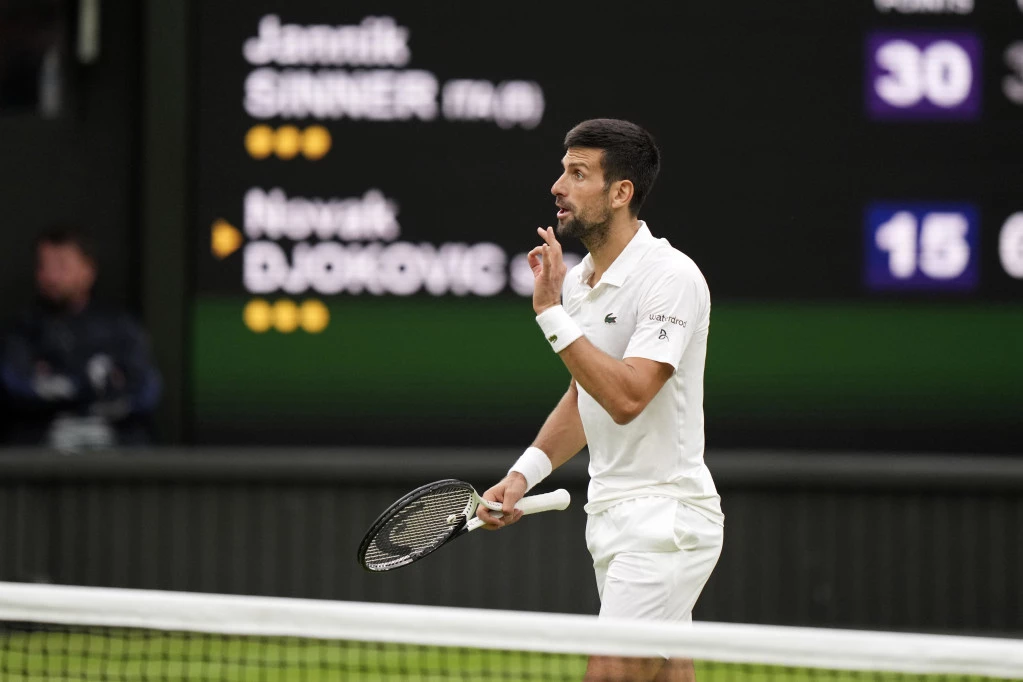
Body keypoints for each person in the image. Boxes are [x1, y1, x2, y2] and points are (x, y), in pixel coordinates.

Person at [477, 119, 723, 682]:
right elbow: (583, 395)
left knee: (609, 673)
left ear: (620, 192)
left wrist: (550, 315)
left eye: (578, 173)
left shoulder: (671, 277)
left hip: (666, 522)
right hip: (612, 519)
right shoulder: (579, 281)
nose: (558, 186)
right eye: (562, 171)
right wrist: (522, 476)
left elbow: (627, 397)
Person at [0, 226, 161, 448]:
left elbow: (145, 392)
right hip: (41, 449)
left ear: (88, 270)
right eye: (44, 266)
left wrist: (58, 384)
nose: (51, 276)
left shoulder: (120, 327)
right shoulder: (23, 329)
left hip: (114, 448)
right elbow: (16, 386)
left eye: (62, 266)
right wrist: (93, 384)